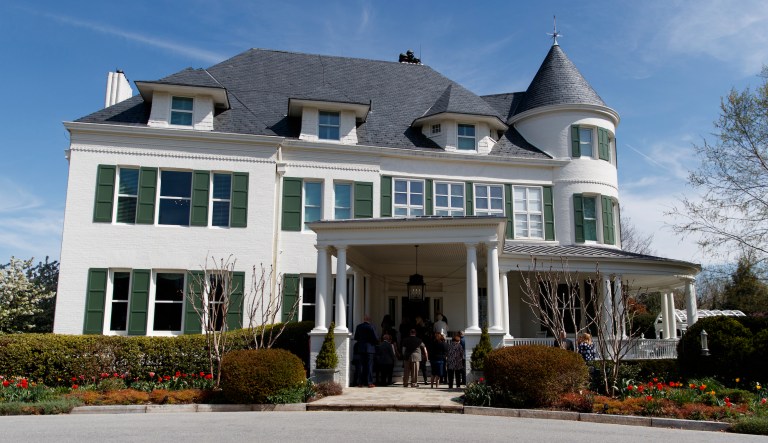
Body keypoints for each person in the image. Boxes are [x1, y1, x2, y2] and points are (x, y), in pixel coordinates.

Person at [354, 315, 378, 388]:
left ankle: (360, 383)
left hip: (361, 348)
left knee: (361, 366)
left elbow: (356, 337)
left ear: (364, 319)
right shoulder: (371, 326)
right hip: (370, 349)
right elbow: (375, 337)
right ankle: (369, 383)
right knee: (369, 366)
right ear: (369, 320)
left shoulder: (359, 327)